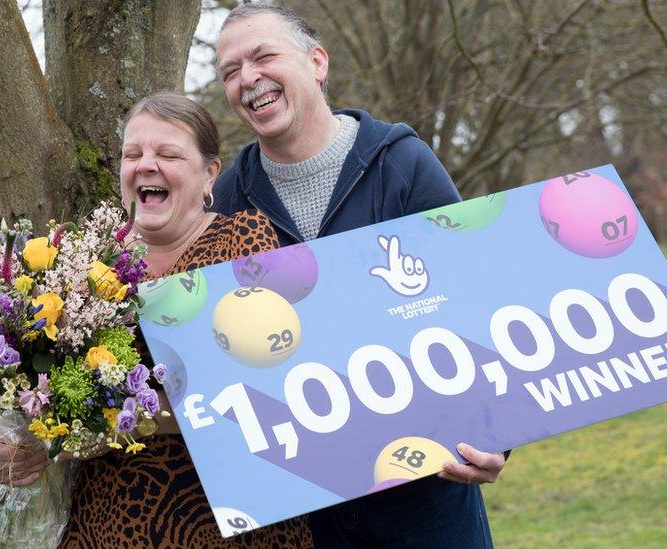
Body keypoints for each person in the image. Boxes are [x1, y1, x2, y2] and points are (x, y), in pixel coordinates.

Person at [212, 4, 507, 547]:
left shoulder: (403, 162)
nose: (247, 79)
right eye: (230, 72)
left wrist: (496, 441)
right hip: (306, 512)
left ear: (317, 62)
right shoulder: (228, 200)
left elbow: (476, 304)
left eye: (263, 56)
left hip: (426, 499)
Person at [0, 92, 313, 548]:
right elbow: (17, 375)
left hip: (224, 523)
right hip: (100, 523)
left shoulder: (244, 243)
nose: (146, 164)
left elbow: (269, 386)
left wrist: (109, 417)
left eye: (168, 153)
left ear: (210, 173)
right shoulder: (80, 263)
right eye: (133, 154)